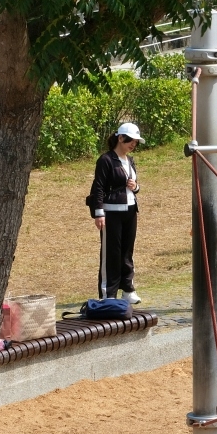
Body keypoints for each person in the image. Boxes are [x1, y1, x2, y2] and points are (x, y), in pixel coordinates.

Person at [88, 122, 145, 303]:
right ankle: (108, 293)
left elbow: (134, 185)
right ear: (120, 138)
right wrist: (99, 213)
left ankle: (128, 288)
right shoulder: (106, 160)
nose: (133, 145)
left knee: (127, 252)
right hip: (111, 213)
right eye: (131, 141)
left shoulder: (130, 161)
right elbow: (98, 188)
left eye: (136, 142)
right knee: (111, 253)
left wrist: (136, 187)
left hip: (130, 210)